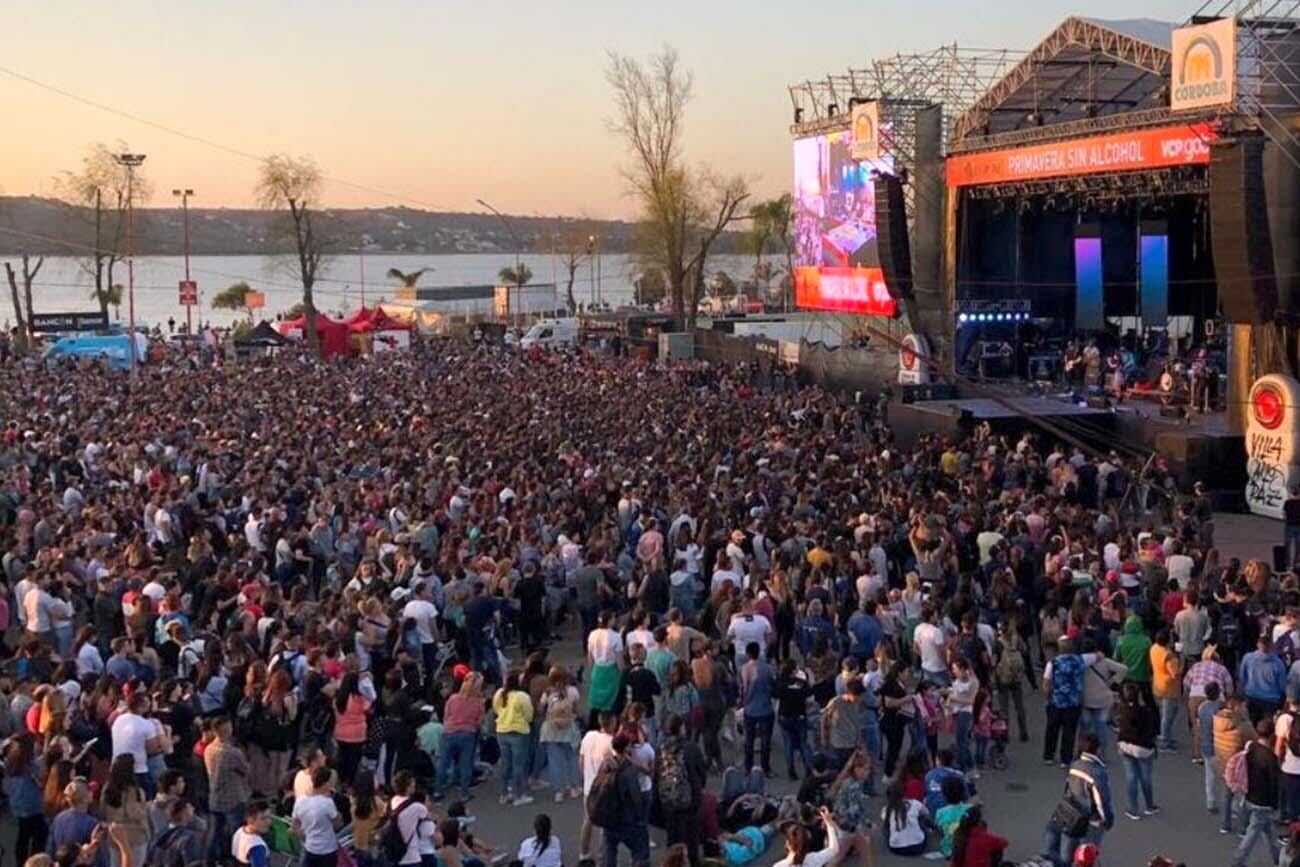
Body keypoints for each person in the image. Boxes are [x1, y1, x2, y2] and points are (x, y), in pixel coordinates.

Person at [1041, 733, 1112, 867]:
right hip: (1090, 819)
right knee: (1087, 850)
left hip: (1070, 810)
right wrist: (1107, 820)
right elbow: (1102, 801)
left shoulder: (1074, 764)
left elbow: (1067, 787)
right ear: (1097, 749)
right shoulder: (1097, 772)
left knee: (1064, 848)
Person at [655, 714, 707, 866]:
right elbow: (700, 772)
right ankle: (691, 862)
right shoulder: (690, 748)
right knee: (691, 838)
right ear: (681, 728)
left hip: (668, 801)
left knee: (673, 836)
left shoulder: (661, 749)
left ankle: (673, 862)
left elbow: (657, 773)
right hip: (689, 800)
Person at [1231, 718, 1282, 867]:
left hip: (1249, 795)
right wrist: (1275, 803)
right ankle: (1238, 860)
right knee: (1252, 834)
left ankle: (1278, 858)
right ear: (1272, 735)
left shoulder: (1251, 748)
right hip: (1262, 801)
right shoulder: (1270, 758)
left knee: (1269, 831)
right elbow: (1274, 784)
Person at [593, 733, 648, 867]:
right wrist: (640, 817)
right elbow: (635, 797)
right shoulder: (628, 770)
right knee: (639, 849)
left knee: (610, 851)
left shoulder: (606, 765)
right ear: (626, 747)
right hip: (626, 819)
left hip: (608, 817)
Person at [1113, 681, 1159, 820]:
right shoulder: (1145, 711)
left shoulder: (1120, 709)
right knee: (1145, 777)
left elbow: (1117, 726)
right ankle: (1149, 806)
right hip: (1143, 747)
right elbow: (1152, 731)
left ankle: (1132, 809)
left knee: (1131, 777)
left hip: (1125, 746)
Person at [436, 673, 485, 802]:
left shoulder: (452, 698)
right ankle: (464, 793)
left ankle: (437, 792)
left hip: (449, 732)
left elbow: (446, 716)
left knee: (443, 763)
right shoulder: (479, 702)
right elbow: (479, 722)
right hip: (467, 734)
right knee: (466, 764)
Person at [493, 670, 535, 807]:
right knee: (519, 764)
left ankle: (504, 793)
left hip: (501, 730)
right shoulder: (522, 696)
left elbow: (496, 709)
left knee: (506, 763)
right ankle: (519, 794)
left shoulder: (499, 694)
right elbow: (529, 714)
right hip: (518, 731)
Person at [1042, 635, 1086, 766]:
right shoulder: (1079, 660)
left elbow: (1046, 683)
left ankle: (1048, 756)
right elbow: (1096, 657)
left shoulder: (1053, 663)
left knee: (1052, 729)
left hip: (1056, 701)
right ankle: (1065, 759)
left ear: (1059, 648)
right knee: (1069, 731)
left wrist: (1046, 698)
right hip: (1074, 702)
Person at [100, 754, 150, 867]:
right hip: (135, 838)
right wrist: (146, 808)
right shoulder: (135, 791)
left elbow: (102, 811)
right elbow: (134, 813)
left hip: (114, 836)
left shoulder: (107, 790)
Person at [290, 766, 341, 867]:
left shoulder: (300, 801)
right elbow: (337, 825)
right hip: (327, 850)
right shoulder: (327, 803)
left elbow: (295, 826)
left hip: (309, 847)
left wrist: (305, 836)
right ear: (326, 784)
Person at [738, 641, 775, 776]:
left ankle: (748, 767)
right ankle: (766, 768)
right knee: (766, 741)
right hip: (765, 707)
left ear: (748, 654)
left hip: (749, 708)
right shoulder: (767, 668)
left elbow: (742, 688)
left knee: (749, 740)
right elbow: (773, 684)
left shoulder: (744, 669)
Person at [771, 806, 841, 867]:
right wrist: (828, 822)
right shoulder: (813, 859)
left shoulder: (779, 866)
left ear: (788, 845)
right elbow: (833, 849)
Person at [880, 779, 930, 857]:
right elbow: (927, 813)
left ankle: (896, 839)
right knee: (921, 818)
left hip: (897, 848)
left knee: (887, 825)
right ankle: (916, 835)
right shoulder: (915, 803)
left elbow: (885, 825)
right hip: (918, 846)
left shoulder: (886, 809)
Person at [1149, 630, 1182, 751]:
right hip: (1169, 688)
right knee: (1168, 716)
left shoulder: (1154, 648)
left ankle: (1166, 736)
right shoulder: (1169, 656)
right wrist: (1181, 661)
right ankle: (1164, 741)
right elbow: (1175, 673)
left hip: (1157, 684)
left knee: (1164, 713)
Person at [232, 799, 273, 867]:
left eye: (269, 817)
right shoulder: (257, 846)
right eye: (263, 818)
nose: (268, 821)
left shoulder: (239, 831)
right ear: (250, 820)